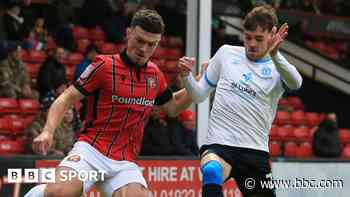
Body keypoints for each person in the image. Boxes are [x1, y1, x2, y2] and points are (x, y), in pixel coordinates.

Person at [25, 9, 195, 197]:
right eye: (140, 40)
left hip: (125, 163)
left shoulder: (155, 75)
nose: (144, 49)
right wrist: (48, 131)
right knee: (58, 192)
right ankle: (39, 193)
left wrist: (201, 83)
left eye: (151, 45)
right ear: (128, 33)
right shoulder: (104, 66)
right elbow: (66, 98)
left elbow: (172, 107)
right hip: (91, 152)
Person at [178, 5, 303, 197]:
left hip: (255, 152)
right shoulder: (226, 53)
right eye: (247, 37)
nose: (251, 43)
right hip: (220, 145)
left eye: (259, 39)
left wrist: (275, 55)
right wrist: (186, 77)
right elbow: (199, 95)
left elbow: (296, 83)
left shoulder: (278, 66)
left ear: (272, 34)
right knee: (211, 171)